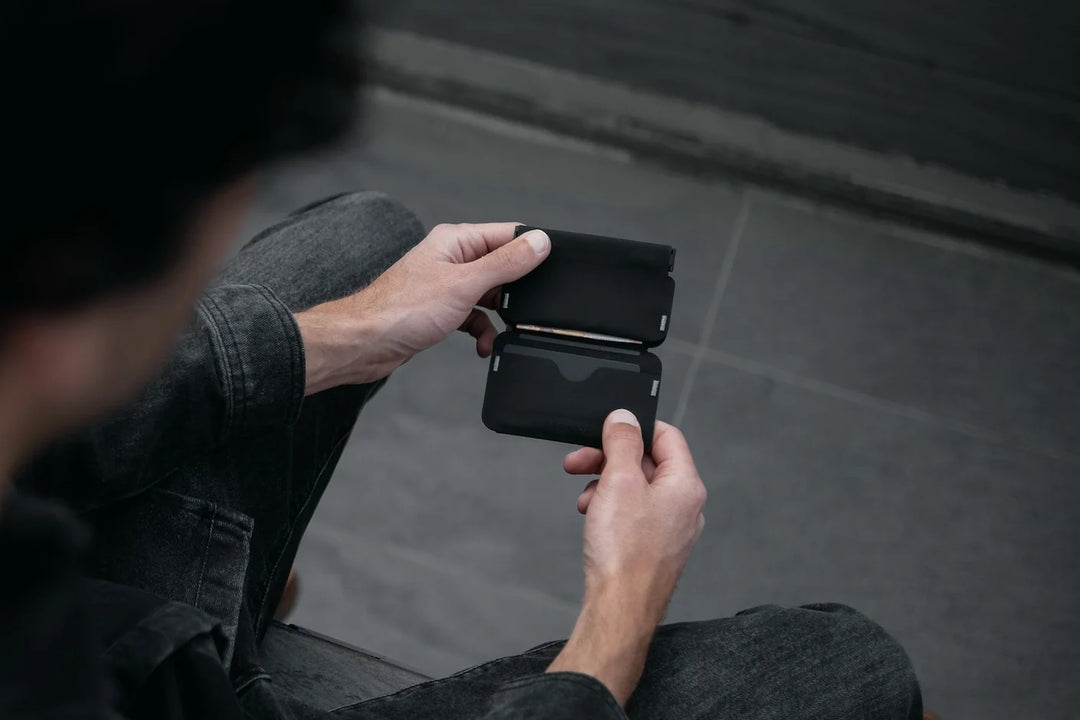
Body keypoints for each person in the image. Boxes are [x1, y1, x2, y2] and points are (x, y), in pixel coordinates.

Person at [0, 1, 924, 718]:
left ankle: (251, 580)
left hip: (116, 608)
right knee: (846, 668)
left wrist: (344, 335)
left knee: (369, 238)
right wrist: (622, 607)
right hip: (167, 689)